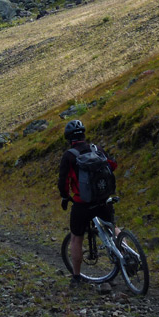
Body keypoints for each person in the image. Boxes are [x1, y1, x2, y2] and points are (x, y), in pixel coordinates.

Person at [58, 119, 118, 287]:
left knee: (76, 238)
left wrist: (65, 196)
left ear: (69, 139)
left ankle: (76, 278)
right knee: (112, 227)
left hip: (82, 203)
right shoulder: (96, 149)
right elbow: (112, 165)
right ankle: (127, 255)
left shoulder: (69, 156)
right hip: (103, 198)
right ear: (83, 135)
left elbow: (63, 182)